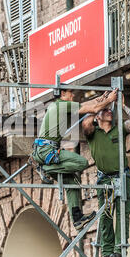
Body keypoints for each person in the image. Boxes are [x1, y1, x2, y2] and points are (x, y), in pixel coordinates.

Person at [32, 88, 118, 231]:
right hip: (46, 150)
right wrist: (109, 100)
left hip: (45, 150)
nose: (73, 95)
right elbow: (92, 108)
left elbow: (87, 104)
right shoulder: (60, 105)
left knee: (71, 181)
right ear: (62, 94)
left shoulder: (60, 105)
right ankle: (44, 169)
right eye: (70, 92)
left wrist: (102, 98)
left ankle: (77, 218)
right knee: (82, 162)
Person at [82, 93, 130, 257]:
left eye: (109, 110)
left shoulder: (119, 129)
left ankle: (119, 250)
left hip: (122, 176)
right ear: (98, 114)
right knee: (105, 216)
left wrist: (120, 104)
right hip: (104, 180)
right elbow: (86, 123)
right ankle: (107, 253)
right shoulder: (93, 132)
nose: (109, 112)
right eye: (105, 111)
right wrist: (101, 102)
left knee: (123, 213)